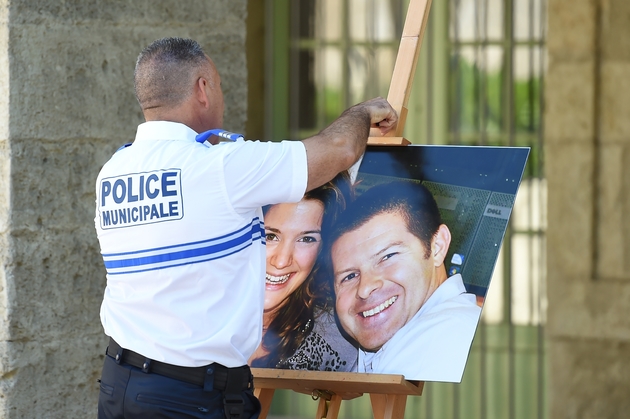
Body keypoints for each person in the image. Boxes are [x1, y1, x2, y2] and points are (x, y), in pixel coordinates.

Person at [94, 37, 397, 419]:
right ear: (203, 88)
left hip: (120, 382)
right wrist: (363, 111)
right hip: (189, 396)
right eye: (219, 86)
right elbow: (338, 149)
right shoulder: (219, 166)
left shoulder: (115, 171)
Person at [327, 180, 481, 383]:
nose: (365, 288)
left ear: (437, 246)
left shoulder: (441, 343)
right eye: (349, 276)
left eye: (387, 257)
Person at [249, 173, 357, 371]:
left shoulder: (333, 341)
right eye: (271, 236)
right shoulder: (195, 307)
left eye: (306, 239)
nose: (281, 261)